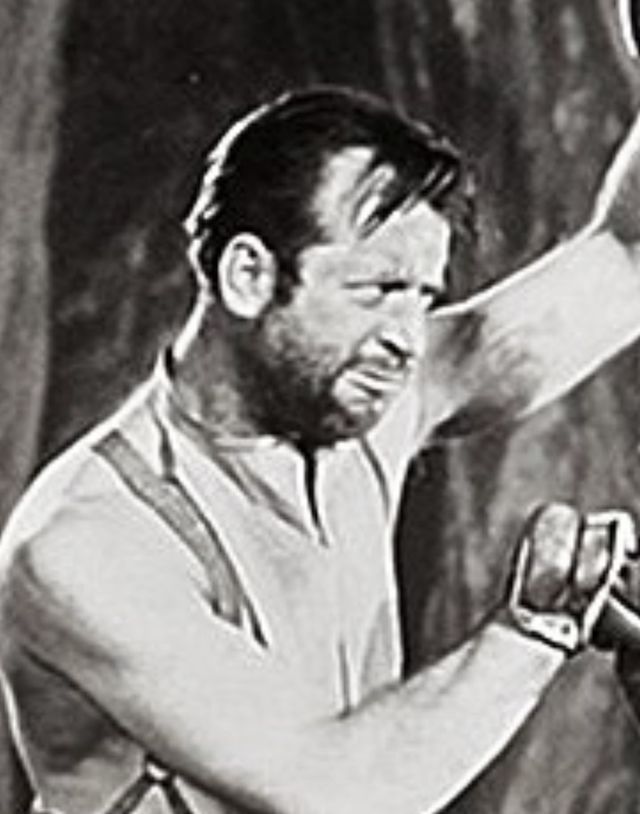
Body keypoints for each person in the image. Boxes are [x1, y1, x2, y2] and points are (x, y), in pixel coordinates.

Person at [2, 87, 640, 814]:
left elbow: (626, 258)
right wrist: (540, 624)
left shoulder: (371, 401)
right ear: (248, 276)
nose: (407, 340)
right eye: (377, 289)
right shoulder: (86, 546)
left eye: (423, 298)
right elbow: (339, 794)